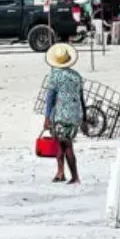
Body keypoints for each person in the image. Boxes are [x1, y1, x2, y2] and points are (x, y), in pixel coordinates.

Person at [42, 43, 86, 184]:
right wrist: (84, 117)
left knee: (66, 145)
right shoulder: (76, 76)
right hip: (75, 114)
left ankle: (75, 176)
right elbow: (81, 98)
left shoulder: (54, 76)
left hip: (61, 115)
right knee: (61, 143)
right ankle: (60, 173)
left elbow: (50, 98)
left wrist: (47, 117)